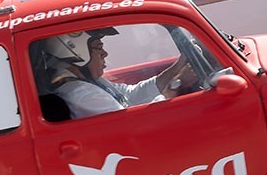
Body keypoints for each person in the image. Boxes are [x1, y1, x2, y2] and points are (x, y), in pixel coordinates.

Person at [39, 28, 195, 120]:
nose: (105, 53)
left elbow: (132, 95)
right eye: (99, 47)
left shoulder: (85, 82)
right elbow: (134, 124)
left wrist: (179, 65)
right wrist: (177, 84)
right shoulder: (81, 94)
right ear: (76, 51)